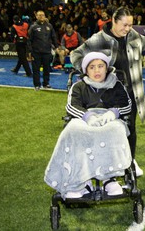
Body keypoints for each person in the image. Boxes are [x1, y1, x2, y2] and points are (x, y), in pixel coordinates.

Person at [71, 7, 145, 176]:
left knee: (130, 129)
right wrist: (90, 70)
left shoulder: (133, 36)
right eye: (124, 25)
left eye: (130, 25)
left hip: (131, 93)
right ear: (113, 20)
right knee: (109, 131)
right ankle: (108, 163)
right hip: (107, 96)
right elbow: (76, 55)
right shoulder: (99, 39)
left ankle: (130, 161)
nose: (127, 29)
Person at [44, 52, 132, 199]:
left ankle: (109, 179)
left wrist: (113, 113)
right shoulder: (79, 86)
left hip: (109, 118)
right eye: (92, 67)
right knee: (72, 130)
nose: (97, 71)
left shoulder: (116, 85)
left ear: (107, 68)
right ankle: (80, 181)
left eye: (100, 66)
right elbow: (72, 106)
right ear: (86, 70)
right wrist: (87, 116)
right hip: (84, 118)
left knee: (116, 129)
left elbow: (127, 105)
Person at [27, 10, 58, 91]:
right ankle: (37, 85)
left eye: (43, 15)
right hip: (36, 52)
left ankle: (46, 84)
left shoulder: (49, 26)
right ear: (36, 16)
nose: (41, 17)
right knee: (36, 69)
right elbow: (29, 40)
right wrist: (30, 52)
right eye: (39, 15)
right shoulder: (33, 27)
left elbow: (54, 37)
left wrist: (56, 47)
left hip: (47, 51)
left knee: (47, 69)